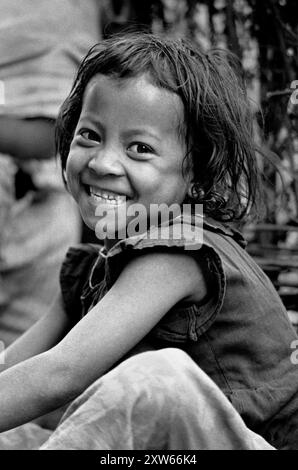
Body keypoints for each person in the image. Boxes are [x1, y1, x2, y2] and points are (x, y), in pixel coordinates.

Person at [0, 32, 297, 450]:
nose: (103, 162)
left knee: (156, 380)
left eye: (139, 148)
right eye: (89, 135)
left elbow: (60, 374)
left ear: (195, 174)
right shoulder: (90, 270)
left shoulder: (178, 251)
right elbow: (16, 371)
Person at [0, 0, 102, 346]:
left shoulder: (68, 11)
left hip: (46, 210)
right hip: (46, 199)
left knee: (28, 351)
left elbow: (58, 130)